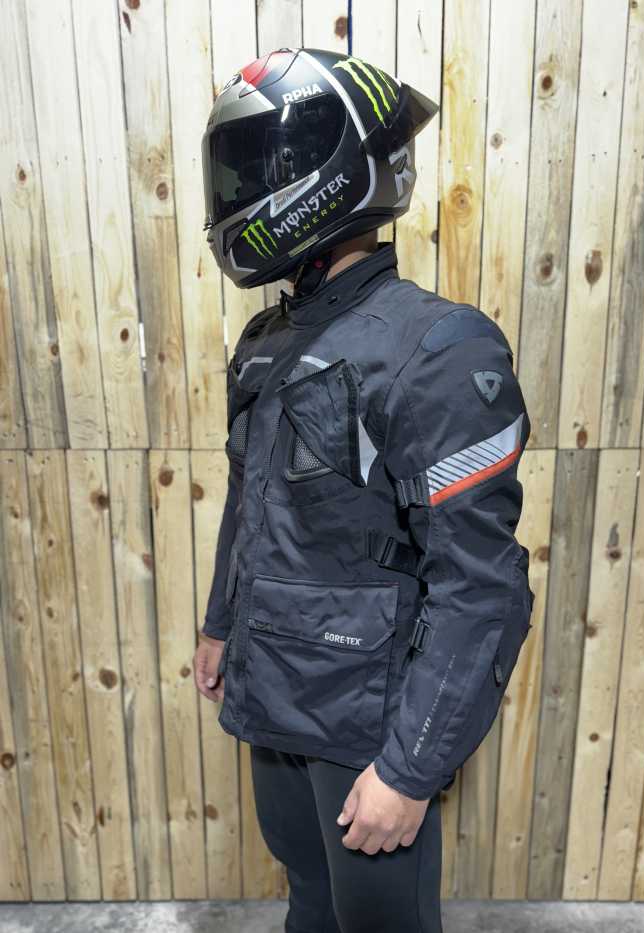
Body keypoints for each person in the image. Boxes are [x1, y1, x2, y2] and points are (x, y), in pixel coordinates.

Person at [193, 47, 535, 933]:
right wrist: (221, 623)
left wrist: (411, 767)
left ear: (328, 175)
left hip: (367, 726)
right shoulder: (266, 345)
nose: (239, 189)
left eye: (258, 166)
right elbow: (250, 499)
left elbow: (482, 587)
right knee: (308, 900)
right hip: (275, 696)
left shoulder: (438, 349)